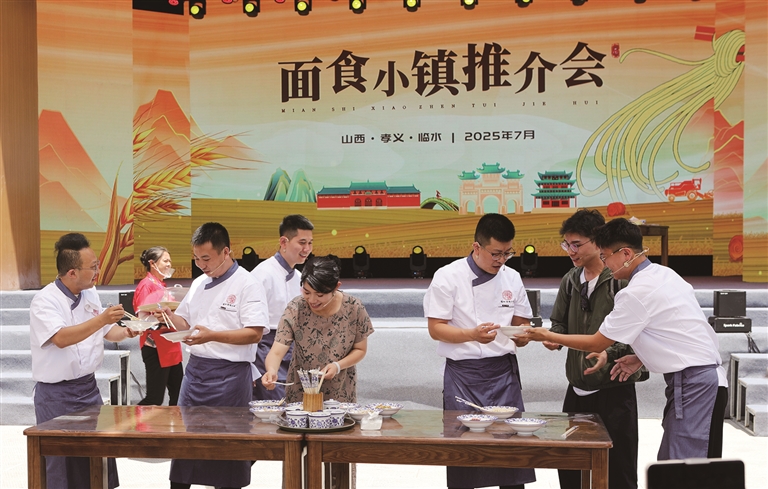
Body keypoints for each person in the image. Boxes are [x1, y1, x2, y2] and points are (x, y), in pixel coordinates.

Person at [522, 218, 728, 461]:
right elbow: (679, 330)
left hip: (694, 383)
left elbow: (597, 343)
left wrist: (546, 335)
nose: (605, 263)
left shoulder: (635, 292)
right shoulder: (664, 274)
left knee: (683, 467)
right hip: (701, 380)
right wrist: (640, 357)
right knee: (679, 464)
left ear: (626, 253)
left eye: (606, 256)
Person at [423, 213, 535, 489]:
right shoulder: (448, 276)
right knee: (465, 453)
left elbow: (522, 322)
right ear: (476, 247)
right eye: (496, 253)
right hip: (464, 376)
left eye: (508, 253)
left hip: (503, 374)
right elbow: (436, 328)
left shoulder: (512, 277)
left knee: (511, 454)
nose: (501, 260)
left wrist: (523, 336)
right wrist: (471, 335)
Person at [159, 222, 269, 489]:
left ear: (226, 252)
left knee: (227, 450)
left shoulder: (247, 283)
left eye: (206, 258)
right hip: (195, 375)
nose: (201, 265)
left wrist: (212, 336)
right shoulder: (199, 283)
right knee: (185, 448)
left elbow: (254, 333)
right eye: (196, 258)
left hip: (230, 379)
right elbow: (186, 324)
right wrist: (168, 316)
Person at [29, 233, 137, 489]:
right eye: (94, 267)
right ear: (72, 272)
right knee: (61, 465)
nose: (98, 272)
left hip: (88, 390)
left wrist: (127, 332)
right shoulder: (45, 300)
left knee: (96, 458)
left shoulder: (90, 293)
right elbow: (61, 338)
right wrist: (102, 319)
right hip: (56, 395)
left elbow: (106, 332)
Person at [547, 209, 641, 489]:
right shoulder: (570, 279)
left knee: (619, 469)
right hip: (576, 387)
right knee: (570, 466)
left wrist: (608, 353)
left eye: (577, 244)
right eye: (566, 244)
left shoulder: (621, 280)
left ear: (598, 242)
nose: (571, 251)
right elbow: (558, 323)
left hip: (615, 386)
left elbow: (636, 334)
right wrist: (554, 338)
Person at [262, 255, 373, 404]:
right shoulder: (296, 308)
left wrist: (337, 366)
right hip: (301, 393)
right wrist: (271, 371)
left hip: (340, 392)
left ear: (336, 287)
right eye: (306, 292)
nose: (312, 300)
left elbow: (360, 349)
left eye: (320, 295)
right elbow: (277, 350)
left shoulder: (354, 308)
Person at [251, 214, 314, 401]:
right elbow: (247, 324)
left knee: (295, 407)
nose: (307, 249)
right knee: (273, 407)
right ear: (283, 242)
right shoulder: (262, 275)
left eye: (310, 243)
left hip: (294, 351)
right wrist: (251, 368)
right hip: (265, 350)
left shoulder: (299, 277)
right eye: (302, 243)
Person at [133, 246, 184, 406]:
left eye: (170, 261)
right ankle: (133, 421)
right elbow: (142, 317)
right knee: (154, 399)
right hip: (156, 346)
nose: (169, 264)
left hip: (171, 343)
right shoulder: (146, 285)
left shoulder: (162, 285)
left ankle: (176, 422)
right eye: (165, 261)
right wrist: (161, 320)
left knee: (179, 395)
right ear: (152, 263)